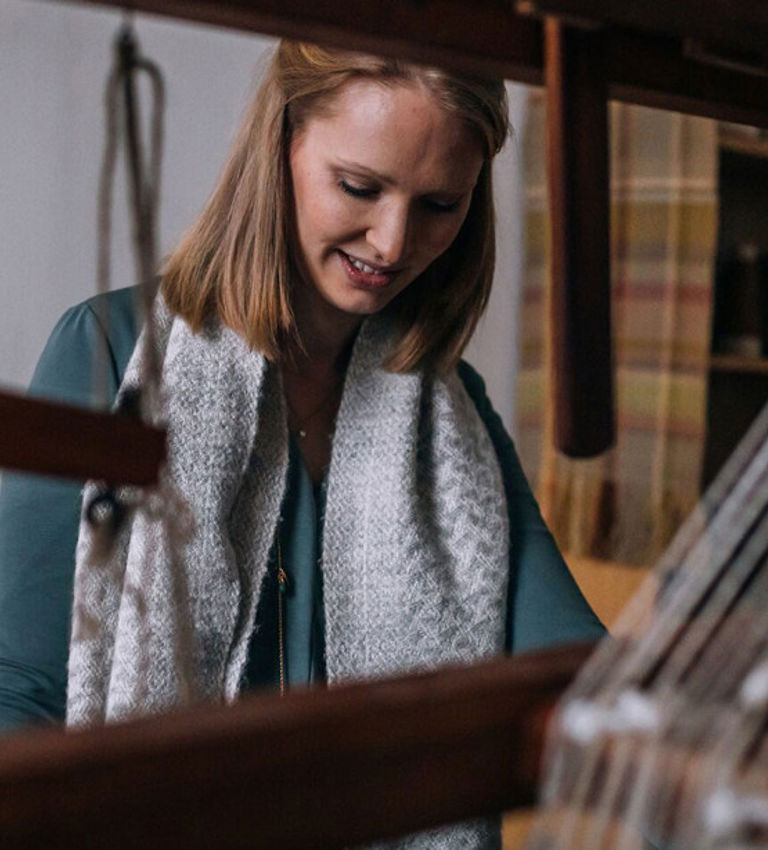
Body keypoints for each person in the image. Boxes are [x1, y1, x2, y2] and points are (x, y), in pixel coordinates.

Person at [0, 42, 603, 740]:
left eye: (440, 204)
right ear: (279, 146)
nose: (392, 242)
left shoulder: (453, 408)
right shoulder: (107, 351)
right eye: (359, 187)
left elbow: (580, 668)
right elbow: (20, 688)